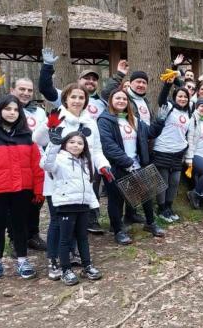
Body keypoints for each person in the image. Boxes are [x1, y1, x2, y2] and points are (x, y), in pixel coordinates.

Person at [33, 84, 113, 279]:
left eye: (81, 97)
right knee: (56, 222)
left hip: (81, 181)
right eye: (73, 97)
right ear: (65, 99)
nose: (77, 101)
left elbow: (95, 150)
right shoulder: (57, 118)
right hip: (58, 178)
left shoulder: (90, 122)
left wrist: (103, 166)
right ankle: (53, 261)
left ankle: (74, 255)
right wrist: (48, 126)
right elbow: (37, 138)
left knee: (79, 222)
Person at [0, 68, 49, 250]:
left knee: (34, 203)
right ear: (12, 90)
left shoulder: (39, 111)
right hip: (7, 165)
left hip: (34, 164)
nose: (26, 93)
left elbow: (43, 139)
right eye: (22, 89)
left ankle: (32, 235)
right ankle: (15, 239)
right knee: (12, 209)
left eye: (29, 90)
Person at [0, 95, 44, 285]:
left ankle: (23, 261)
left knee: (20, 226)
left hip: (22, 190)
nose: (12, 113)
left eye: (16, 110)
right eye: (8, 109)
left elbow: (36, 166)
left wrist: (38, 190)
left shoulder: (27, 136)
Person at [97, 89, 165, 245]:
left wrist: (160, 121)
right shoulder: (104, 120)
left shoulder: (133, 119)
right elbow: (108, 145)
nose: (121, 101)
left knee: (146, 194)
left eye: (124, 99)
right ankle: (118, 230)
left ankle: (150, 223)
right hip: (116, 167)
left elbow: (150, 133)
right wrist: (126, 162)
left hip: (136, 164)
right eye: (117, 98)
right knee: (116, 200)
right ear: (110, 101)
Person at [41, 131, 102, 285]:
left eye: (80, 143)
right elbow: (45, 164)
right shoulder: (59, 159)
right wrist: (53, 144)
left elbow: (88, 186)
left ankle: (87, 265)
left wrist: (93, 204)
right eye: (72, 142)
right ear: (65, 144)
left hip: (82, 205)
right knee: (65, 239)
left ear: (84, 146)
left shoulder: (85, 161)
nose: (76, 145)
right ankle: (65, 269)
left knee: (82, 236)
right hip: (65, 205)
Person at [153, 67, 192, 223]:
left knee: (174, 182)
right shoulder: (168, 107)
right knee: (162, 182)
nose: (182, 99)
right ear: (175, 97)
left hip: (178, 152)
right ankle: (161, 208)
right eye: (180, 96)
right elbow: (161, 99)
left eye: (185, 97)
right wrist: (168, 84)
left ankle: (169, 207)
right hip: (162, 149)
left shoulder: (189, 112)